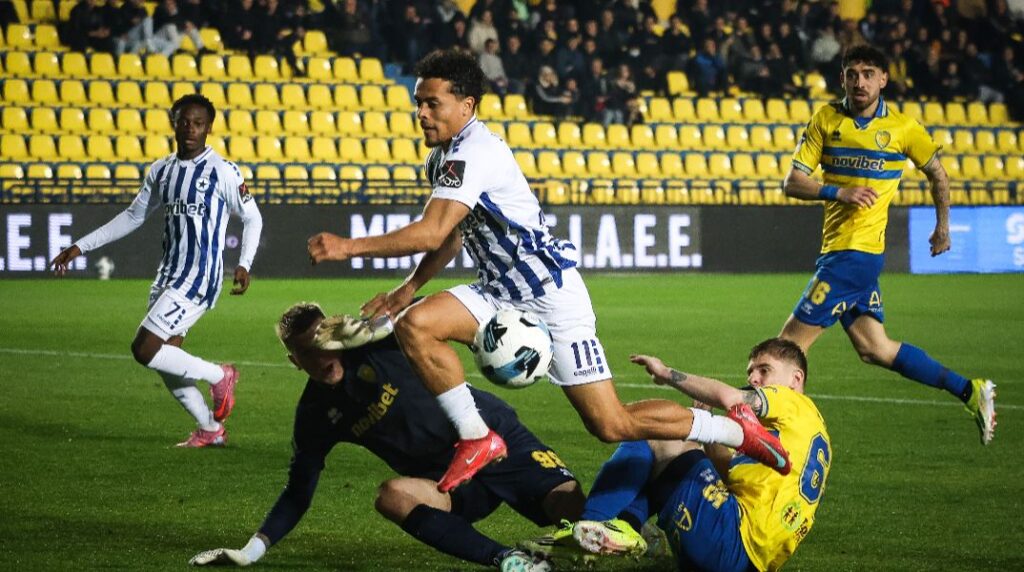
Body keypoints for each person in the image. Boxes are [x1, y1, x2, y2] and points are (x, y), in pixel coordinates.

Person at [306, 49, 790, 494]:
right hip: (498, 290)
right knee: (416, 323)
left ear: (466, 104)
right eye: (419, 103)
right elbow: (451, 235)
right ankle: (476, 438)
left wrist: (348, 246)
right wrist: (410, 287)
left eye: (432, 103)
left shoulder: (476, 152)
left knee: (610, 424)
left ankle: (732, 430)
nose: (422, 113)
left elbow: (432, 231)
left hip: (548, 295)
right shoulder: (443, 157)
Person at [189, 302, 585, 572]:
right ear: (294, 361)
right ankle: (509, 560)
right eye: (306, 353)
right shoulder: (314, 414)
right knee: (391, 496)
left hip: (492, 436)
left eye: (321, 344)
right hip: (448, 482)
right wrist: (250, 551)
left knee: (578, 517)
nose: (321, 358)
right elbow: (298, 490)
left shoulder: (380, 344)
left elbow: (432, 311)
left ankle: (637, 527)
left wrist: (378, 323)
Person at [779, 45, 996, 445]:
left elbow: (938, 174)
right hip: (842, 251)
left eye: (868, 73)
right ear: (842, 78)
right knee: (874, 348)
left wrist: (943, 228)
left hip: (853, 256)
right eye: (852, 73)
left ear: (883, 79)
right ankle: (971, 390)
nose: (859, 81)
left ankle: (785, 440)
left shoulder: (903, 129)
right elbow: (792, 182)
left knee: (785, 349)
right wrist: (838, 192)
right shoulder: (826, 119)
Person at [50, 94, 263, 448]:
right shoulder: (161, 170)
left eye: (198, 123)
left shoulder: (223, 171)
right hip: (168, 276)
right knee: (167, 360)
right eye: (184, 121)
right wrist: (80, 246)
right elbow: (132, 217)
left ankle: (220, 375)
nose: (190, 129)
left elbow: (252, 217)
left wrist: (244, 262)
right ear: (173, 122)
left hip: (199, 276)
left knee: (144, 348)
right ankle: (210, 430)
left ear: (209, 127)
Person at [526, 339, 831, 572]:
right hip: (746, 562)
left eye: (764, 371)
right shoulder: (805, 432)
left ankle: (590, 527)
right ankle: (626, 528)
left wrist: (666, 373)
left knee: (656, 431)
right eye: (751, 371)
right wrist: (706, 433)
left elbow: (730, 397)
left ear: (796, 379)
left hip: (728, 539)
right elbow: (728, 476)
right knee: (685, 449)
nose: (754, 378)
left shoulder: (791, 403)